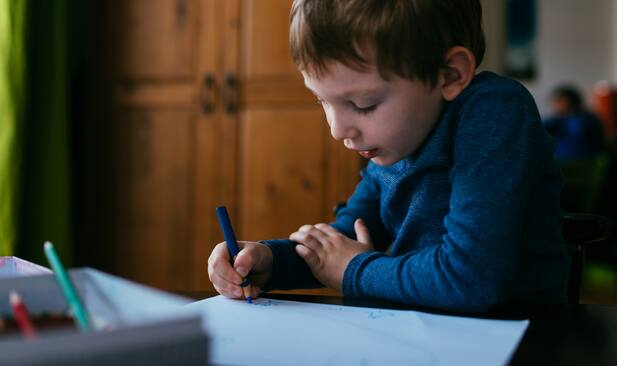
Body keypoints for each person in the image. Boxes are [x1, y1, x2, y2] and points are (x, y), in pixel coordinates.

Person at [208, 0, 569, 312]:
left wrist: (355, 270)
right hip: (421, 330)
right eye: (322, 101)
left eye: (363, 104)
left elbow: (471, 278)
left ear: (450, 74)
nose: (338, 130)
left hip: (519, 335)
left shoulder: (493, 113)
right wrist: (269, 261)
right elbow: (340, 245)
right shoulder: (393, 139)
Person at [544, 84, 606, 161]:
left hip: (585, 164)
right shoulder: (556, 121)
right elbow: (540, 130)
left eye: (559, 101)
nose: (556, 105)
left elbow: (579, 131)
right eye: (555, 102)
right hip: (561, 164)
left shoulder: (587, 119)